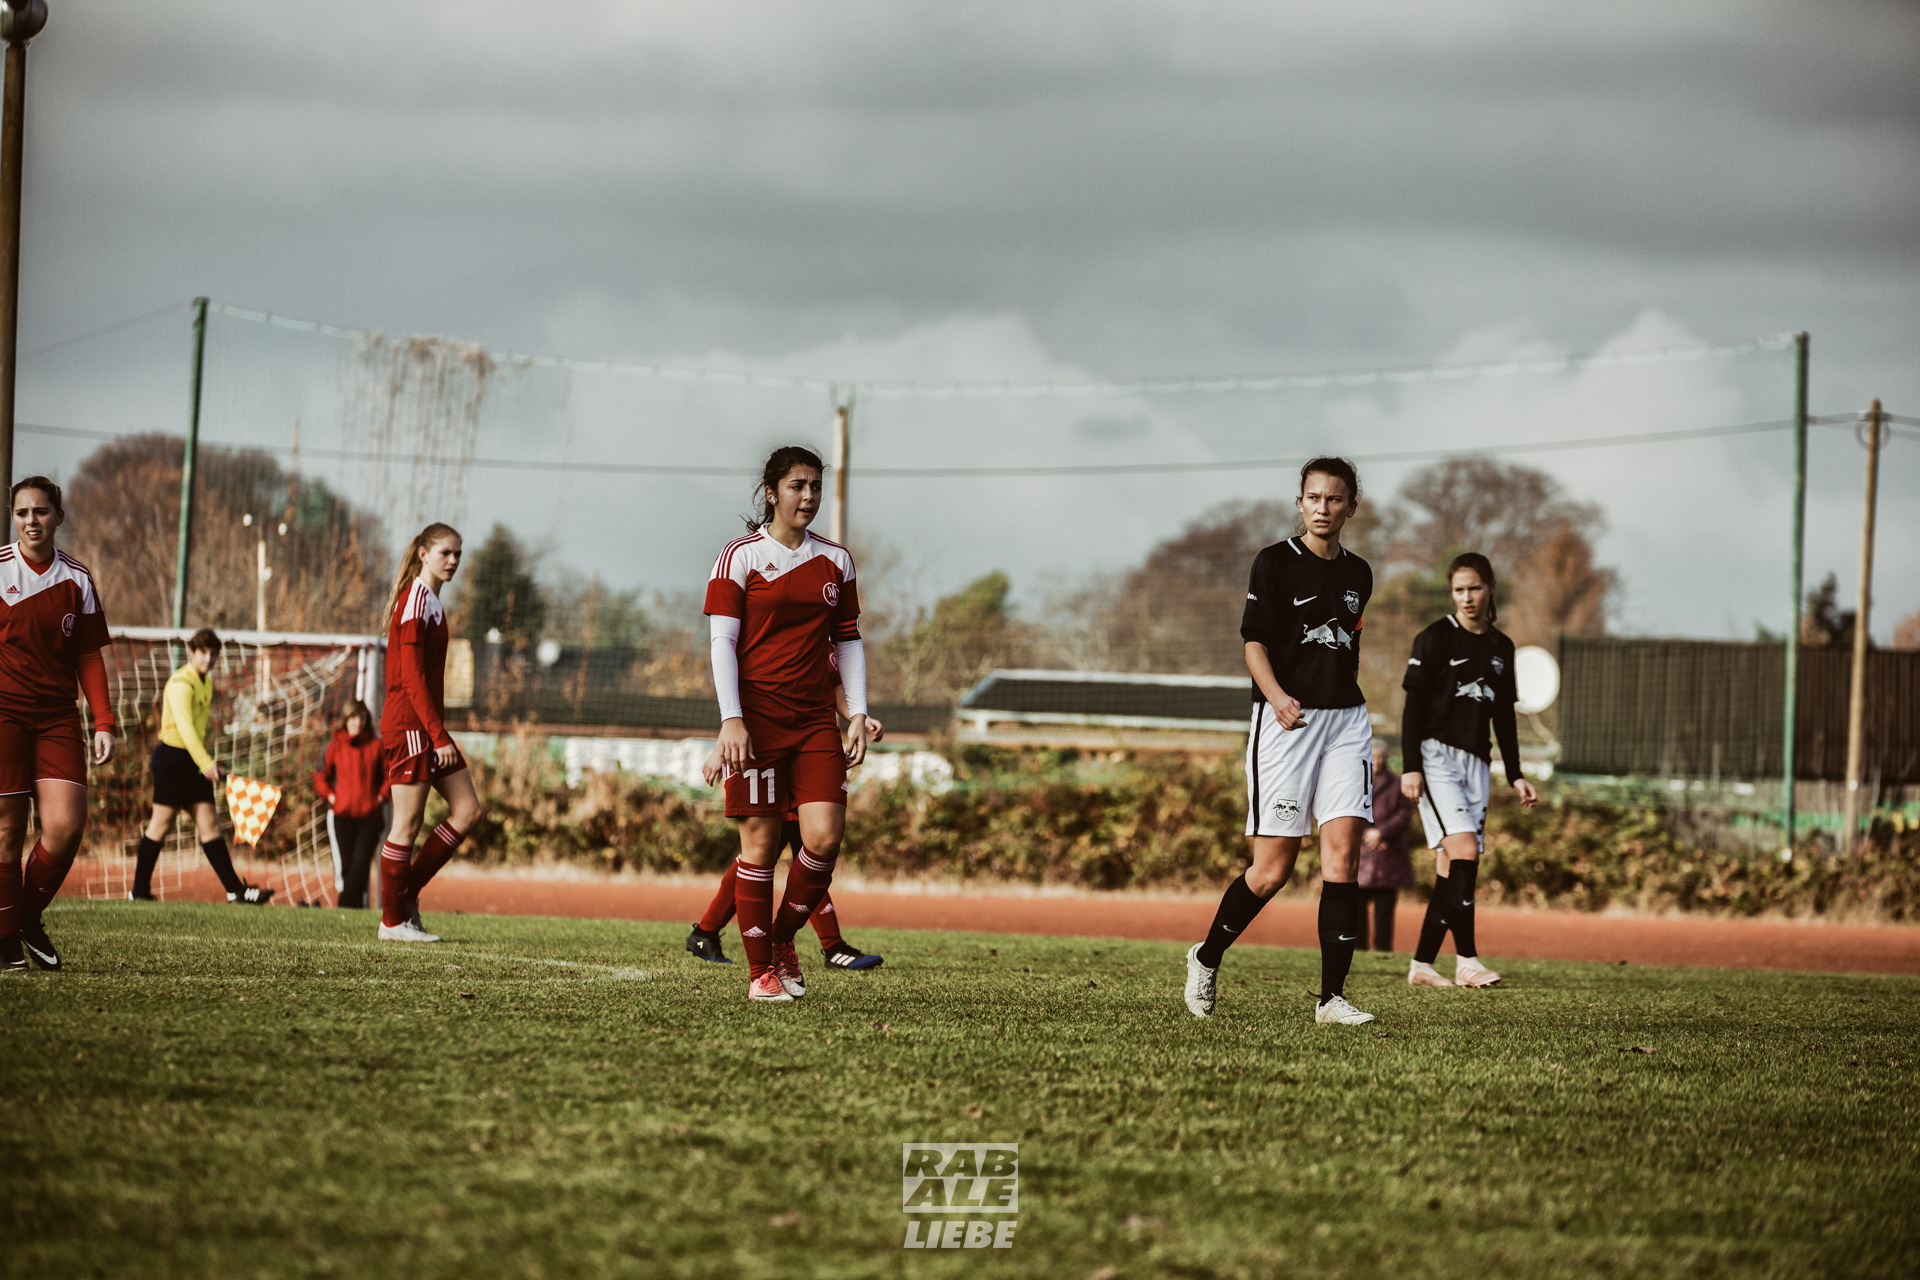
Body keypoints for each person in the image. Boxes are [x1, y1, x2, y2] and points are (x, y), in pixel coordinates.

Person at [1183, 457, 1378, 1026]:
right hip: (1286, 724)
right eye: (1313, 498)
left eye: (1334, 499)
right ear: (1300, 503)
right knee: (1271, 871)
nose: (1323, 508)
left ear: (1351, 507)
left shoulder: (1360, 573)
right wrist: (1276, 697)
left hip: (1346, 722)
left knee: (1342, 857)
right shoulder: (1273, 562)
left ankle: (1331, 1000)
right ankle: (1206, 957)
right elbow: (1254, 642)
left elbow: (1349, 648)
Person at [705, 445, 869, 1002]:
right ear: (771, 492)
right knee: (760, 842)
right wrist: (731, 720)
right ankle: (761, 976)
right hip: (756, 722)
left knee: (823, 838)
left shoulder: (837, 560)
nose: (809, 496)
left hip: (816, 720)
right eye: (798, 485)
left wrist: (857, 710)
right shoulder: (739, 556)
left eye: (815, 486)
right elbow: (722, 643)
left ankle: (779, 942)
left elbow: (848, 640)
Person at [687, 650, 886, 971]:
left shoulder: (825, 644)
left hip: (805, 762)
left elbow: (836, 689)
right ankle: (827, 946)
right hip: (771, 757)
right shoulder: (762, 640)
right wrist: (719, 750)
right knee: (776, 852)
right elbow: (742, 700)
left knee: (798, 851)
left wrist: (859, 717)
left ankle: (708, 932)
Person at [1401, 552, 1539, 988]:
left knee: (1451, 867)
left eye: (1474, 588)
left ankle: (1422, 965)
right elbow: (1412, 708)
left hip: (1478, 763)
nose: (1467, 597)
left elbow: (1505, 717)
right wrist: (1410, 767)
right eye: (1459, 590)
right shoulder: (1434, 638)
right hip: (1435, 758)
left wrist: (1515, 774)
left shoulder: (1502, 647)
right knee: (1464, 849)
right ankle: (1467, 961)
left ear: (1490, 588)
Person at [0, 477, 117, 972]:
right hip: (4, 713)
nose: (32, 520)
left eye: (41, 511)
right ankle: (5, 943)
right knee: (6, 832)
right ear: (13, 517)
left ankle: (26, 916)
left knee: (66, 827)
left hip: (56, 718)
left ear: (58, 517)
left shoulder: (78, 578)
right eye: (22, 512)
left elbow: (87, 654)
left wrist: (104, 720)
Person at [377, 523, 483, 943]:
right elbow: (411, 677)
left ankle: (404, 895)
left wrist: (438, 733)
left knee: (468, 810)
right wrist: (437, 736)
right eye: (445, 553)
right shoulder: (415, 600)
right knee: (406, 823)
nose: (453, 561)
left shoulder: (432, 602)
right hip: (410, 725)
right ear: (423, 554)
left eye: (458, 554)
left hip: (427, 727)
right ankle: (392, 922)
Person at [130, 628, 272, 905]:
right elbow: (185, 730)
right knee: (160, 826)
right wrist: (206, 764)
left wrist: (202, 762)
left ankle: (235, 891)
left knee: (210, 825)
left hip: (191, 760)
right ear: (191, 653)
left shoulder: (205, 682)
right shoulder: (181, 684)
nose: (208, 658)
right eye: (203, 652)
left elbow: (195, 733)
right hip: (172, 759)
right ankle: (138, 891)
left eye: (213, 654)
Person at [315, 700, 388, 910]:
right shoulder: (333, 747)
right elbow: (320, 776)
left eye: (362, 718)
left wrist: (380, 798)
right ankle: (352, 910)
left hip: (370, 818)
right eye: (354, 718)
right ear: (346, 720)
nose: (358, 722)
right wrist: (332, 797)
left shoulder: (376, 746)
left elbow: (389, 776)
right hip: (342, 817)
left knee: (360, 864)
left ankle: (346, 908)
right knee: (346, 865)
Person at [1357, 739, 1412, 951]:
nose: (1377, 761)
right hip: (1361, 857)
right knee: (1357, 911)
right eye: (1374, 757)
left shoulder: (1398, 784)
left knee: (1385, 912)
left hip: (1390, 858)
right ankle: (1358, 951)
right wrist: (1365, 833)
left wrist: (1381, 833)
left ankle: (1383, 951)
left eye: (1381, 757)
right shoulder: (1355, 781)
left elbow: (1404, 814)